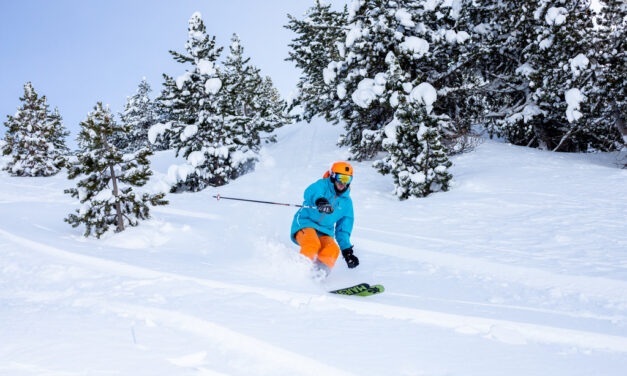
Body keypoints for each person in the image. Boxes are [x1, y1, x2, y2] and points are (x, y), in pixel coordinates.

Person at [290, 161, 359, 277]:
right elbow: (310, 191)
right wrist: (320, 200)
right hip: (305, 223)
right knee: (312, 243)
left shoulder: (347, 203)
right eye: (341, 178)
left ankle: (317, 276)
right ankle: (297, 274)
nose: (343, 183)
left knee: (332, 249)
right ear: (333, 176)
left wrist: (347, 251)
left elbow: (343, 229)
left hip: (325, 231)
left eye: (347, 179)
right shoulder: (323, 185)